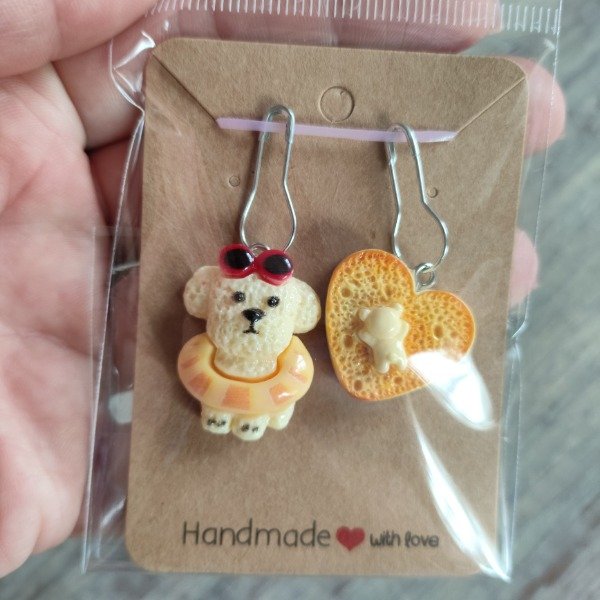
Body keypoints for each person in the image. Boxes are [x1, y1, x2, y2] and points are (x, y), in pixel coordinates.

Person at [0, 0, 565, 577]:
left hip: (275, 392)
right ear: (210, 293)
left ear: (295, 307)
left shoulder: (305, 327)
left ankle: (256, 413)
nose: (251, 311)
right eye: (243, 298)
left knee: (270, 410)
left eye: (271, 300)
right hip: (198, 383)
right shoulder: (209, 312)